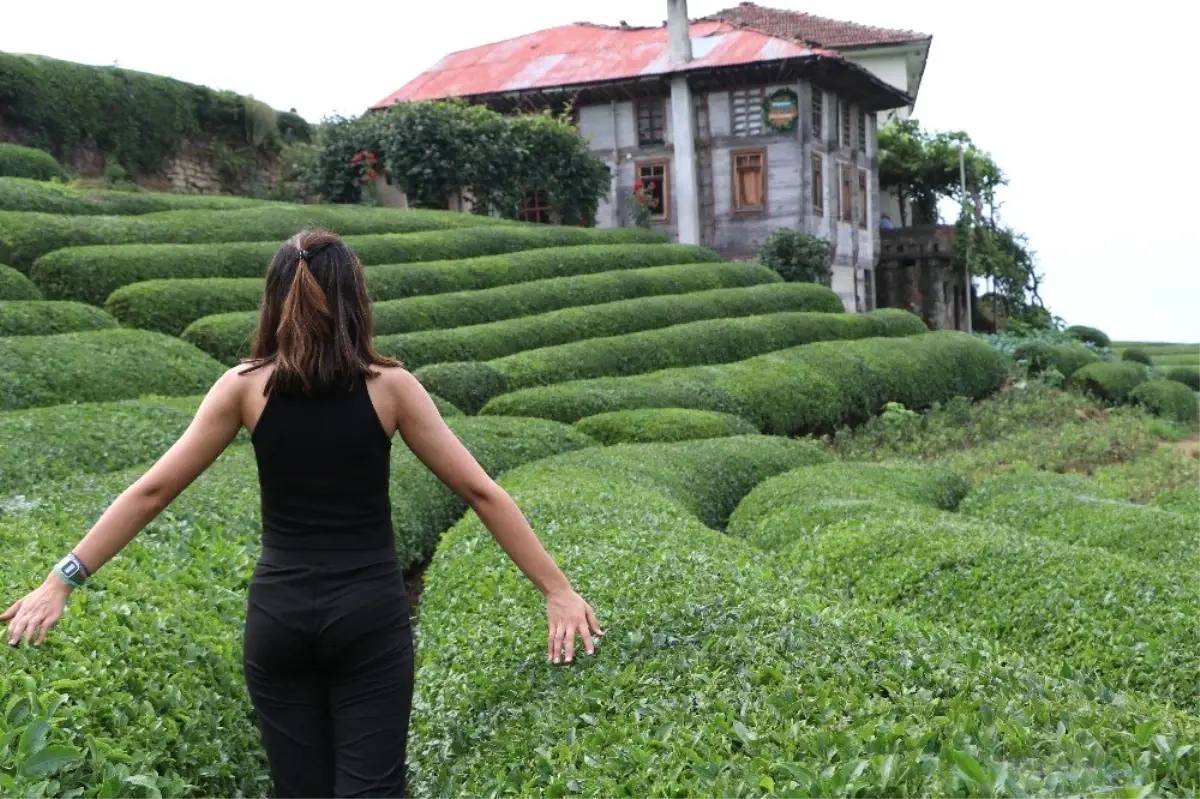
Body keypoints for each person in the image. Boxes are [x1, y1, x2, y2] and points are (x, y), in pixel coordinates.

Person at [2, 229, 604, 797]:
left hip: (279, 616)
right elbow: (481, 493)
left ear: (272, 299)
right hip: (367, 613)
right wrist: (557, 590)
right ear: (355, 301)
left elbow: (152, 491)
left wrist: (62, 580)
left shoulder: (243, 386)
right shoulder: (390, 387)